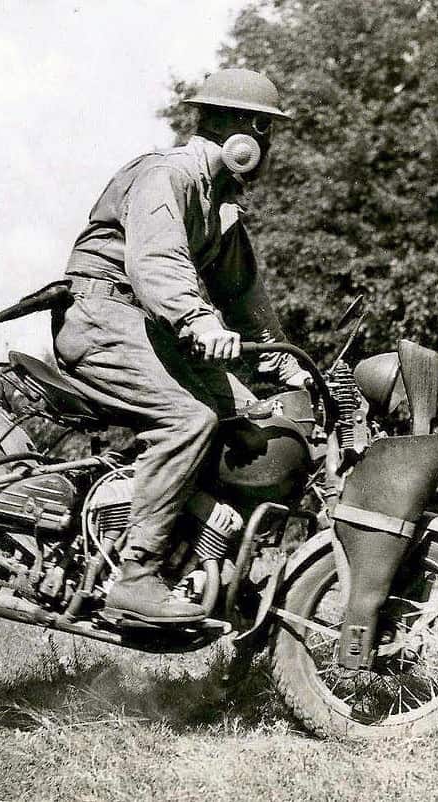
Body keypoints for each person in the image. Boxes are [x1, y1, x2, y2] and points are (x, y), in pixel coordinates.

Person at [52, 68, 309, 623]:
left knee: (253, 418)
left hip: (142, 324)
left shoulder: (221, 207)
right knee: (187, 420)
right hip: (100, 316)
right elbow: (157, 260)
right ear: (242, 130)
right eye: (265, 131)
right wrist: (199, 321)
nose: (268, 147)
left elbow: (245, 298)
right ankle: (137, 574)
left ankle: (212, 559)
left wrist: (285, 364)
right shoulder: (168, 176)